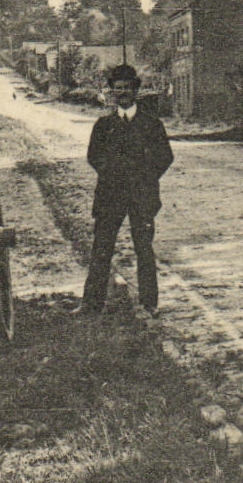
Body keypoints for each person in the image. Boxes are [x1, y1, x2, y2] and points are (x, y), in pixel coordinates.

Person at [80, 65, 173, 316]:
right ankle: (92, 304)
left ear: (135, 90)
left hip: (141, 196)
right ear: (112, 92)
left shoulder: (151, 125)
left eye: (126, 88)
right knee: (102, 247)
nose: (121, 93)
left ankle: (148, 304)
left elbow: (165, 157)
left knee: (144, 248)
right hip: (110, 195)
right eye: (117, 89)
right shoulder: (104, 125)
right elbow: (93, 156)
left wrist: (145, 178)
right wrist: (111, 174)